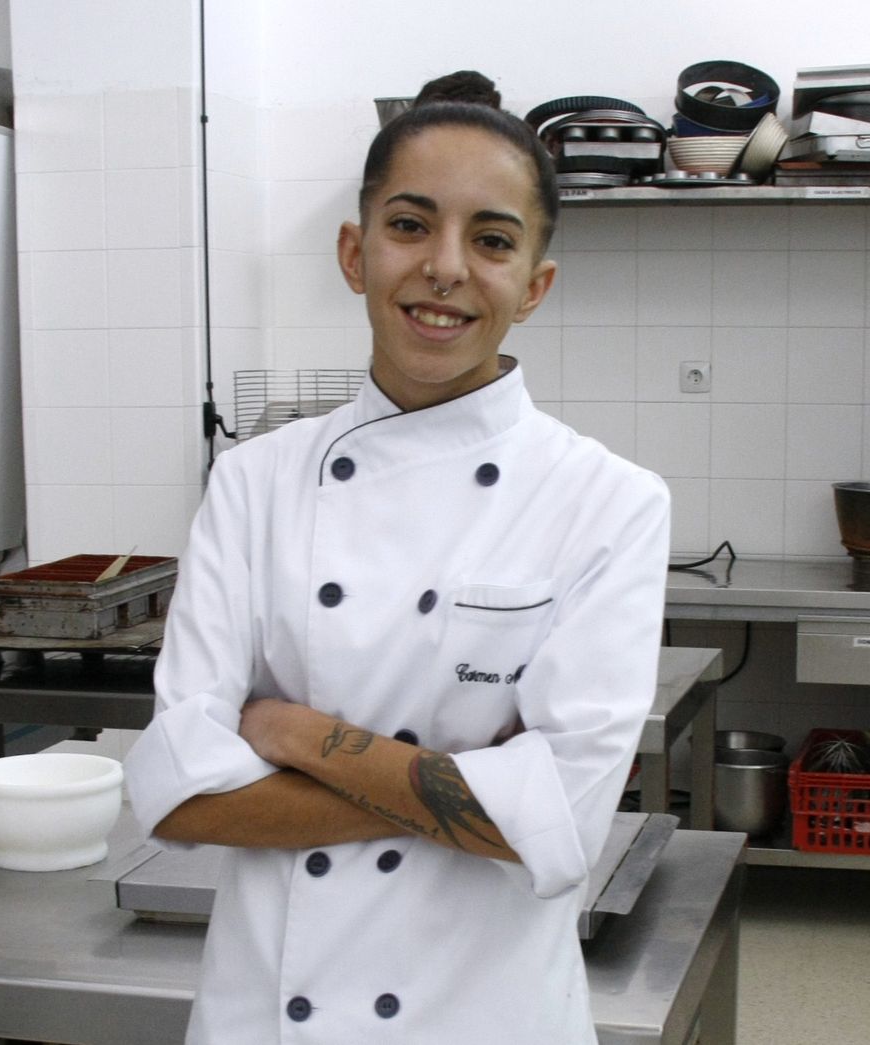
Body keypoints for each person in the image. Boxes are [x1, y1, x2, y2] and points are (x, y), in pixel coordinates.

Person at [123, 70, 671, 1044]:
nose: (446, 267)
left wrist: (297, 735)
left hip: (485, 1014)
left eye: (492, 240)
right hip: (268, 1014)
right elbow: (178, 794)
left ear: (534, 285)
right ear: (354, 251)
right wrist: (476, 789)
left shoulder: (607, 503)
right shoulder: (253, 483)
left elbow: (558, 828)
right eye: (410, 225)